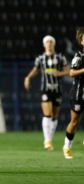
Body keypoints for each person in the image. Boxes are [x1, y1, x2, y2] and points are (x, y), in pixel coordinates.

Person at [24, 35, 69, 151]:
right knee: (47, 113)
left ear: (53, 44)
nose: (49, 44)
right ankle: (47, 140)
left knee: (54, 116)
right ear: (44, 45)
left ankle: (50, 140)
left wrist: (60, 73)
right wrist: (28, 77)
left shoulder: (60, 58)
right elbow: (36, 70)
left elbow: (68, 71)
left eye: (51, 42)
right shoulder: (40, 59)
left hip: (57, 89)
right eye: (47, 42)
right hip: (46, 88)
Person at [62, 27, 84, 159]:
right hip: (79, 93)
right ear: (82, 42)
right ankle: (67, 146)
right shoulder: (79, 56)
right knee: (75, 122)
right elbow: (71, 73)